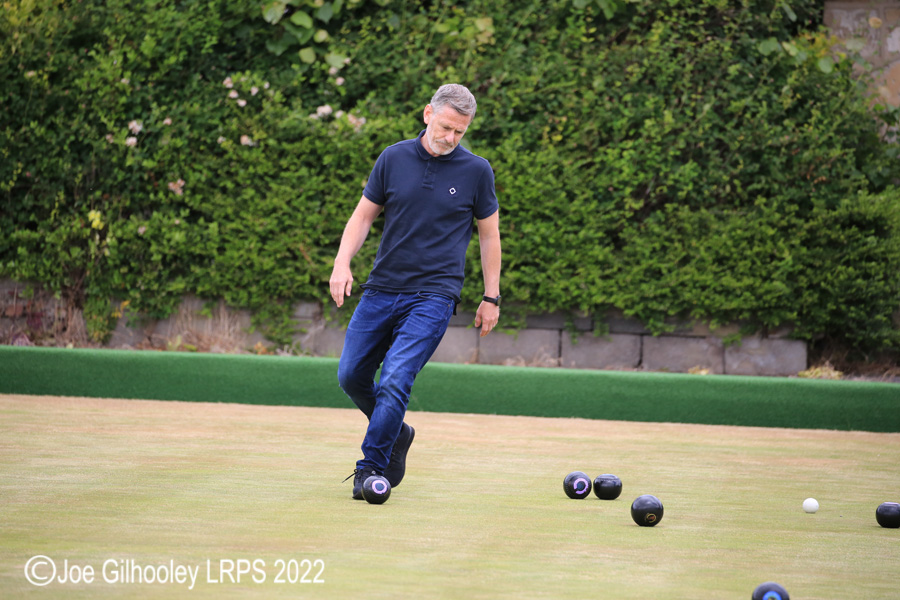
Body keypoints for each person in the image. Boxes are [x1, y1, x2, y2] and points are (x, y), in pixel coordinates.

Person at [329, 83, 502, 500]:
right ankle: (398, 432)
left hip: (435, 295)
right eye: (445, 127)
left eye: (460, 132)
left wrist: (491, 296)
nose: (450, 138)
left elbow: (489, 236)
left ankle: (371, 468)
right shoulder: (393, 157)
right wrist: (341, 262)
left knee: (394, 379)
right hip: (382, 288)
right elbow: (363, 217)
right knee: (351, 375)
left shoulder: (477, 171)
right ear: (428, 114)